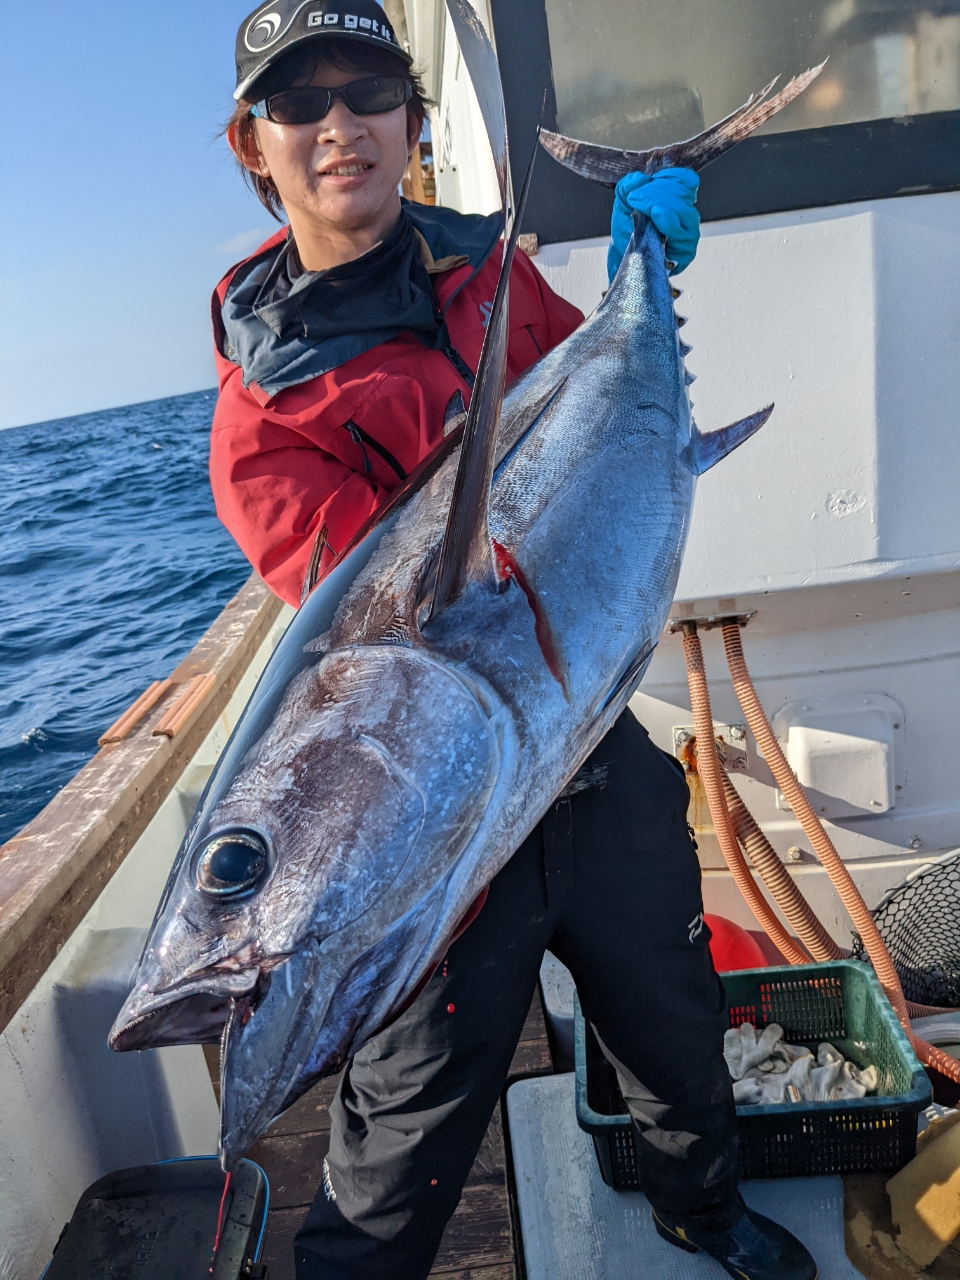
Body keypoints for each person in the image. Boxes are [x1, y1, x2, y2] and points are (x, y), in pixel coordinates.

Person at [210, 4, 817, 1278]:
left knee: (672, 1016)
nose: (339, 126)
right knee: (406, 1130)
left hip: (590, 746)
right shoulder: (264, 423)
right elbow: (397, 634)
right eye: (299, 104)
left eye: (369, 90)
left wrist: (639, 279)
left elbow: (595, 412)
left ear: (411, 124)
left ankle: (700, 1209)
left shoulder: (494, 275)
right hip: (443, 833)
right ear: (250, 146)